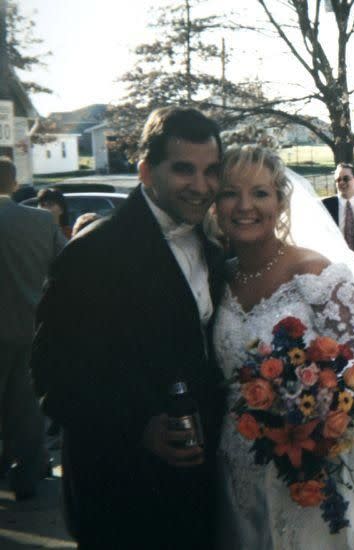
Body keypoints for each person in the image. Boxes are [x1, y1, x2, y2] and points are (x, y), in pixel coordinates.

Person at [31, 107, 226, 549]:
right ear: (145, 171)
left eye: (211, 171)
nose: (201, 186)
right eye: (183, 170)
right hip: (121, 495)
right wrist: (138, 427)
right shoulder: (94, 254)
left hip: (198, 496)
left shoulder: (213, 251)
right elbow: (51, 376)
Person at [213, 145, 354, 549]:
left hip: (315, 474)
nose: (244, 206)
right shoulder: (218, 279)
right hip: (237, 473)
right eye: (231, 193)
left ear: (281, 201)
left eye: (260, 193)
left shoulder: (317, 275)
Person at [0, 157, 64, 500]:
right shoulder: (40, 221)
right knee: (26, 409)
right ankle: (27, 473)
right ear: (12, 183)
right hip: (31, 328)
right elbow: (65, 268)